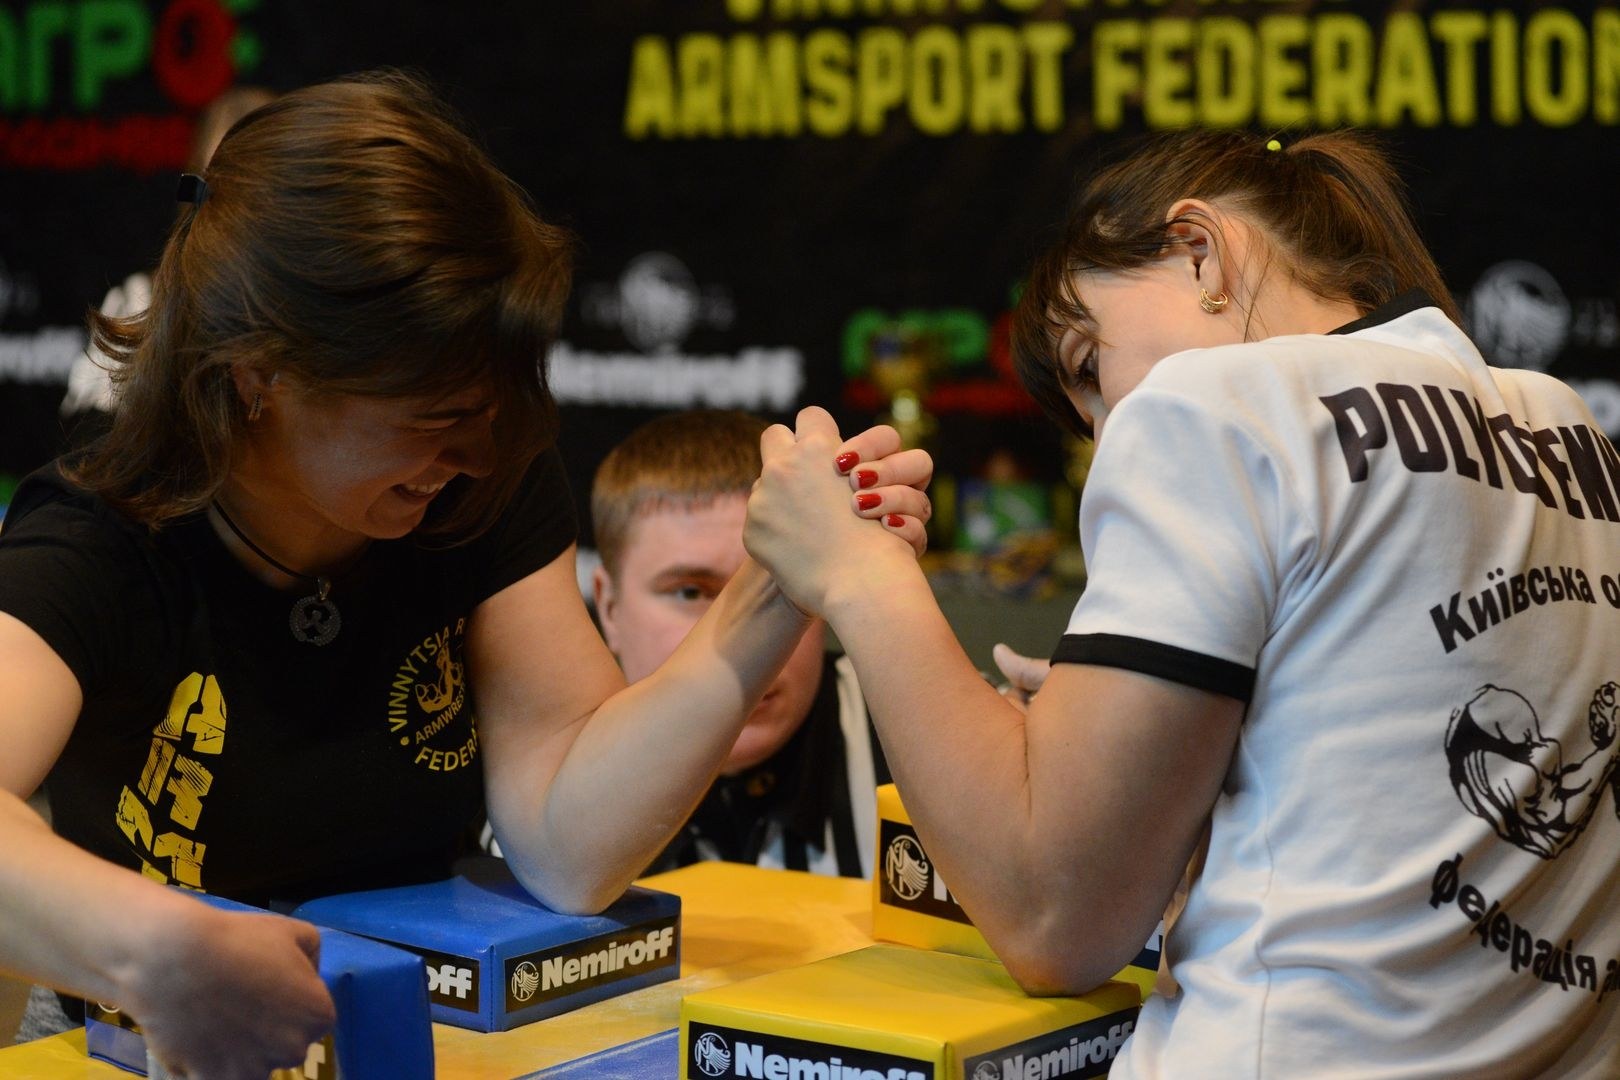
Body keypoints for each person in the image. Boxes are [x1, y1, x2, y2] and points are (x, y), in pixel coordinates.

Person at [0, 71, 929, 1080]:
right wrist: (154, 949)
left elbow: (569, 843)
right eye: (434, 416)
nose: (479, 454)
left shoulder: (470, 487)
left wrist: (776, 584)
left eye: (490, 409)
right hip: (140, 1048)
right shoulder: (98, 542)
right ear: (257, 375)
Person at [743, 130, 1619, 1077]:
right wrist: (1123, 735)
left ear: (1201, 250)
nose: (1107, 429)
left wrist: (860, 575)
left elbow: (1054, 920)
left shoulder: (1209, 403)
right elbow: (1381, 794)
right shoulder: (1566, 425)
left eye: (1090, 365)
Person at [590, 410, 892, 878]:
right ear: (609, 608)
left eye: (778, 583)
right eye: (690, 592)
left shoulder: (932, 736)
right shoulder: (536, 771)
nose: (744, 640)